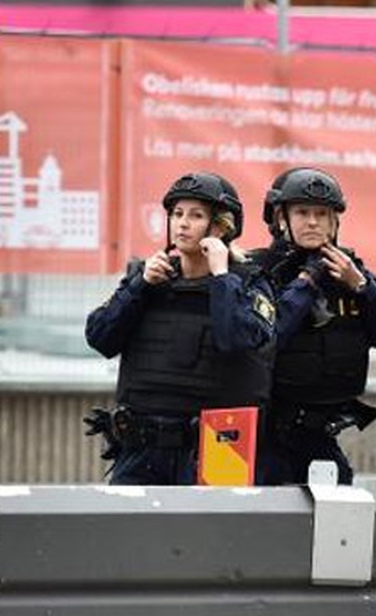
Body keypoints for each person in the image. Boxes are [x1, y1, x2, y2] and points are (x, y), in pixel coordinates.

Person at [84, 173, 276, 484]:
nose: (182, 224)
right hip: (141, 449)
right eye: (177, 214)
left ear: (220, 228)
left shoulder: (250, 283)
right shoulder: (147, 279)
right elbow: (100, 338)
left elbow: (236, 339)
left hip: (218, 446)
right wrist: (139, 286)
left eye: (195, 216)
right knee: (129, 532)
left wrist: (221, 277)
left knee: (211, 533)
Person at [249, 167, 376, 485]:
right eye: (302, 212)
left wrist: (361, 287)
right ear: (280, 218)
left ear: (335, 221)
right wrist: (307, 281)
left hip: (320, 435)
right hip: (264, 438)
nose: (313, 222)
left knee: (337, 522)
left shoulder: (350, 271)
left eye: (322, 213)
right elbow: (265, 337)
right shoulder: (257, 271)